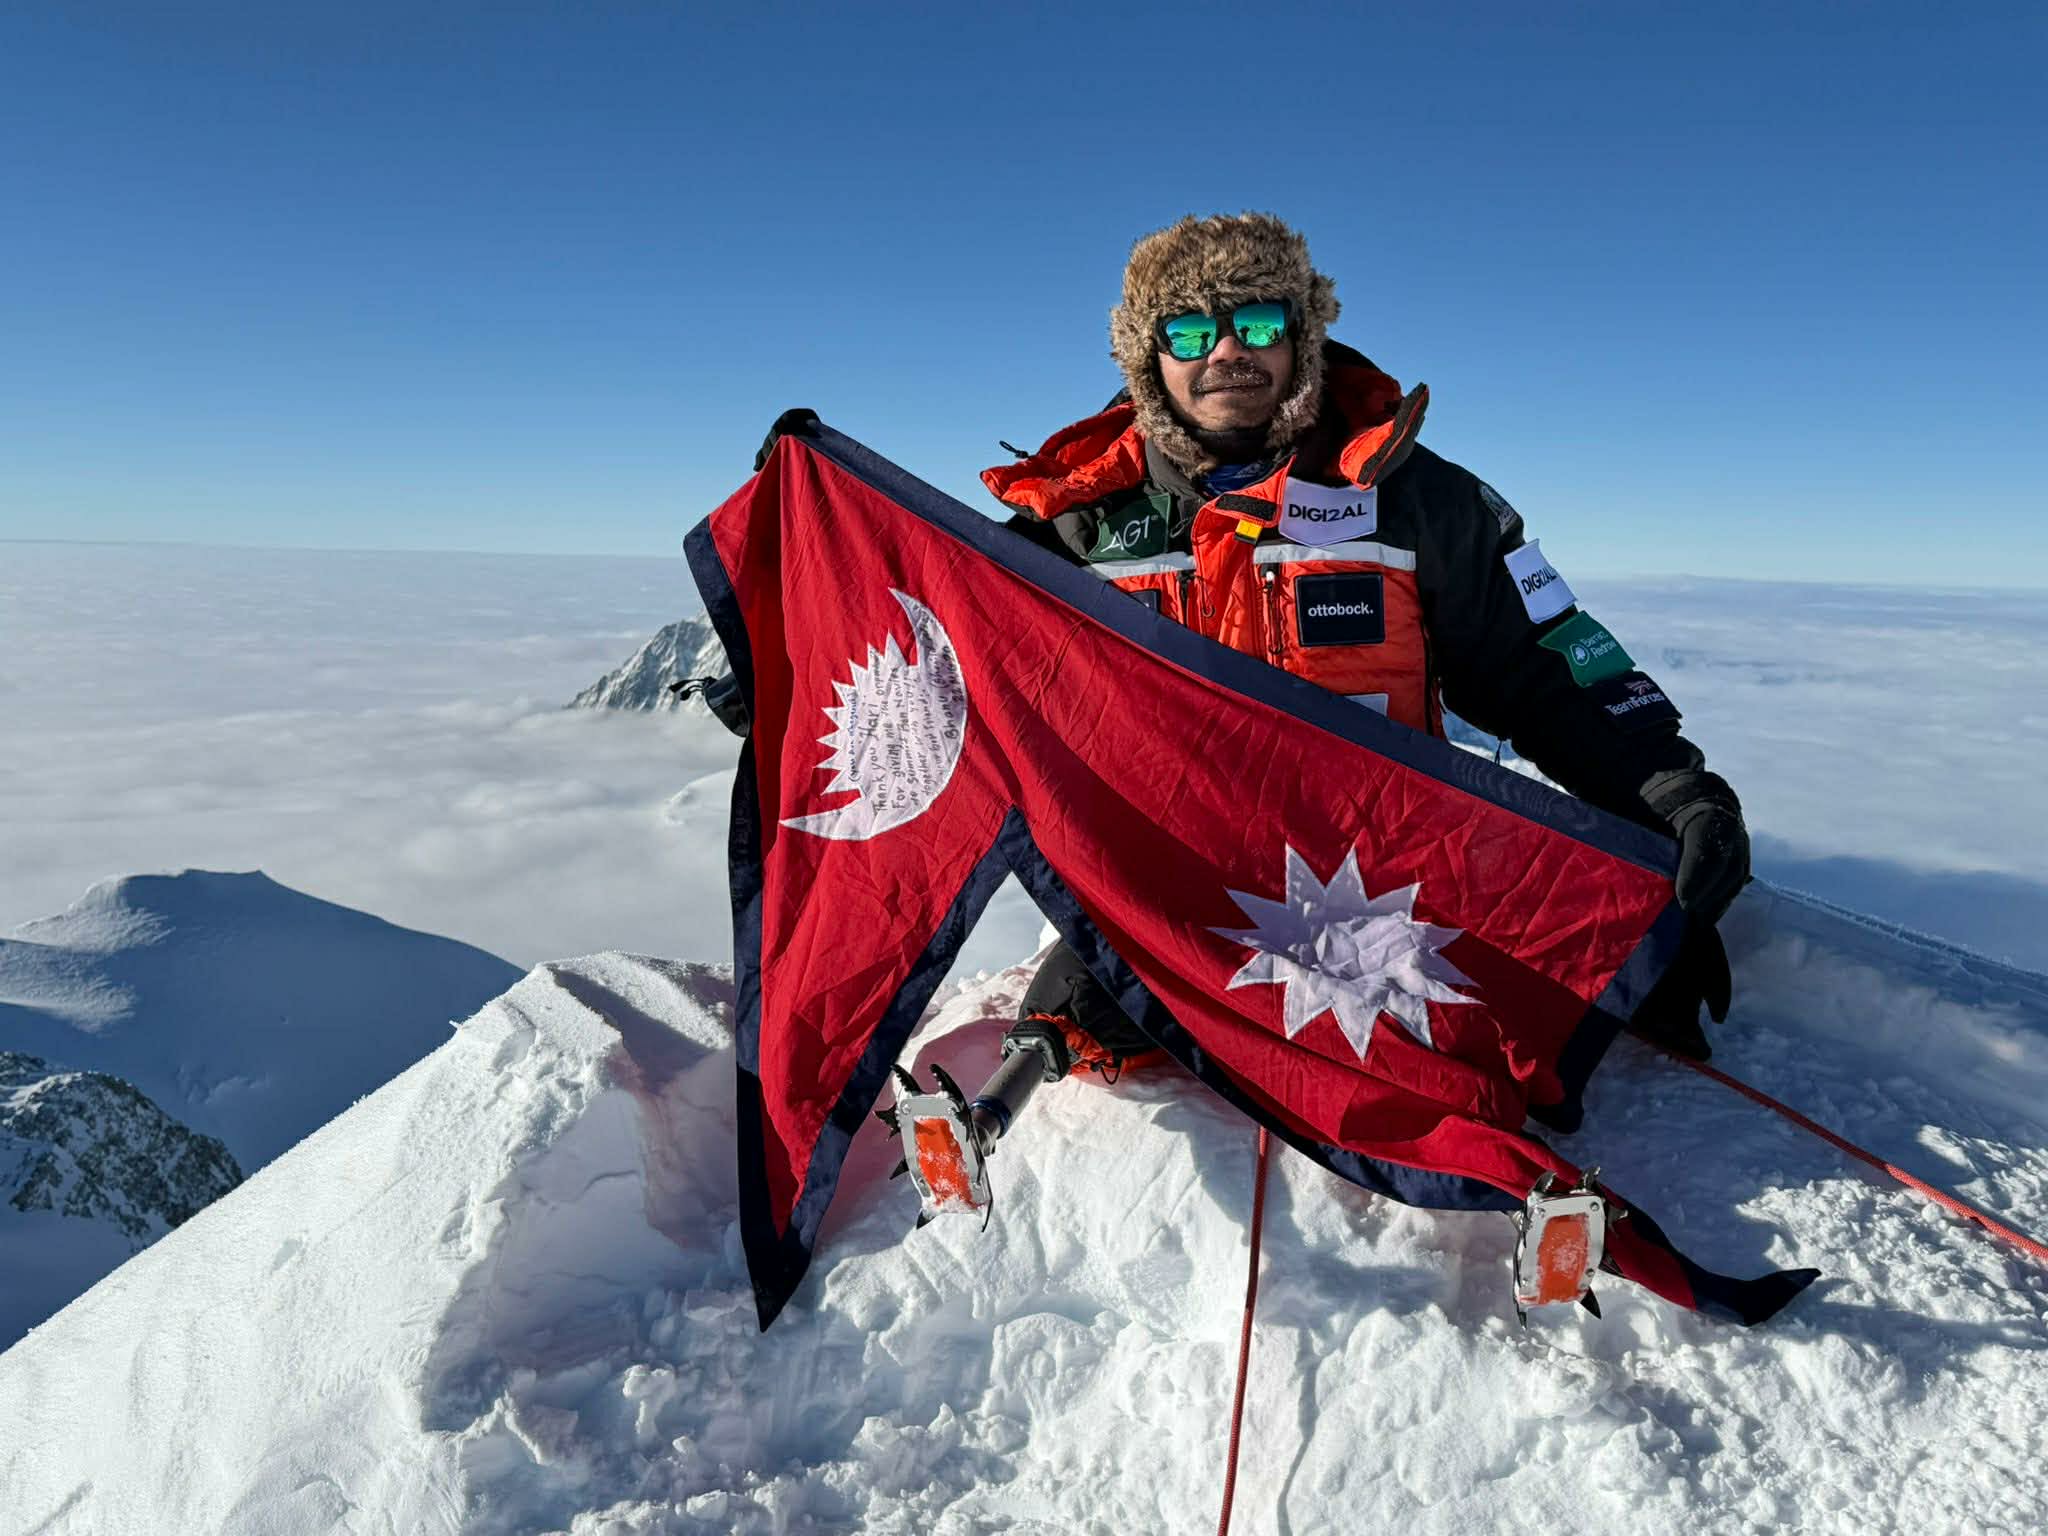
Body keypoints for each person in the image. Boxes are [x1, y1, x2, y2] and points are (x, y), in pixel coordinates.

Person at [981, 211, 1747, 1071]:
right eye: (1191, 329)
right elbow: (953, 674)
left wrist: (1672, 796)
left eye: (1258, 323)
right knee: (1079, 1023)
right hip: (1179, 885)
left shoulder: (1418, 497)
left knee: (1626, 968)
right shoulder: (1072, 528)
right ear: (1148, 358)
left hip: (1392, 870)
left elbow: (1538, 668)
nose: (1225, 351)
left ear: (1302, 337)